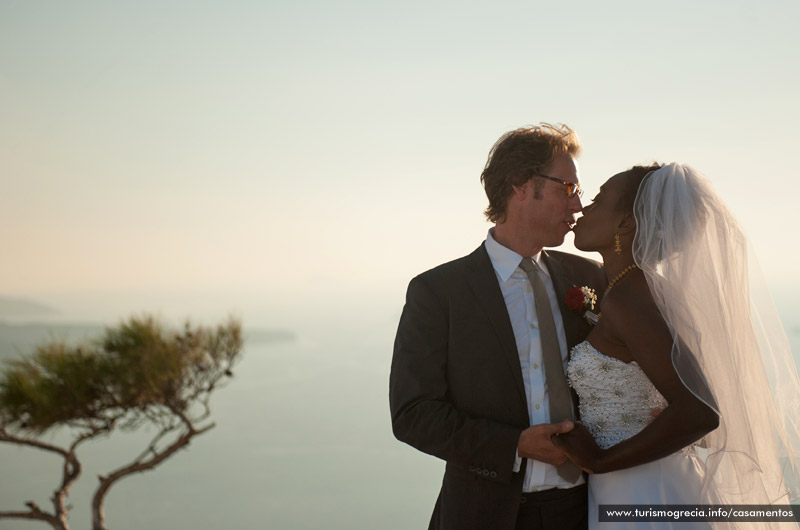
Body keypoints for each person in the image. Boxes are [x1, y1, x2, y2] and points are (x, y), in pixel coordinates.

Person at [555, 163, 800, 529]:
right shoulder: (648, 289)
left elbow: (700, 411)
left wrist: (599, 462)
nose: (584, 209)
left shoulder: (626, 298)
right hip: (650, 483)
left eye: (597, 200)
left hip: (640, 488)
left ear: (625, 224)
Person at [390, 123, 607, 530]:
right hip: (484, 514)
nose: (577, 205)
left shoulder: (591, 278)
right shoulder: (438, 292)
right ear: (521, 185)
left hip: (587, 511)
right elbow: (412, 414)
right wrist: (514, 445)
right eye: (568, 188)